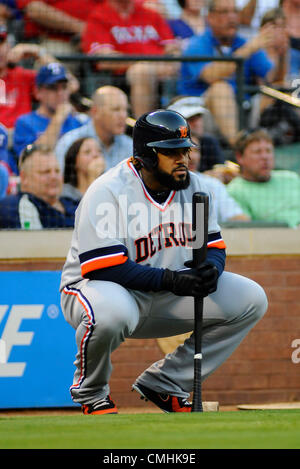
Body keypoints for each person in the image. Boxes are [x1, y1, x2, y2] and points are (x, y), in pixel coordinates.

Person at [59, 109, 268, 415]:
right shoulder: (108, 190)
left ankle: (166, 383)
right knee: (112, 312)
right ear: (144, 156)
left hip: (166, 294)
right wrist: (172, 281)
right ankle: (92, 393)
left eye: (185, 150)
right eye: (171, 152)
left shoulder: (194, 186)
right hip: (100, 291)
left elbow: (212, 246)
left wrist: (212, 269)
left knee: (251, 299)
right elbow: (103, 267)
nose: (182, 159)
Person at [178, 0, 277, 147]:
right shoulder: (197, 44)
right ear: (210, 17)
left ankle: (263, 142)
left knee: (273, 91)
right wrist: (248, 50)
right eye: (224, 12)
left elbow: (272, 77)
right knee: (220, 89)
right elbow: (211, 75)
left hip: (243, 111)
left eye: (234, 12)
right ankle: (239, 146)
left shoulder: (242, 43)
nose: (231, 17)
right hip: (201, 117)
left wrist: (281, 53)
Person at [80, 0, 180, 118]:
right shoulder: (99, 16)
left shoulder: (150, 14)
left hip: (163, 71)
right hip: (120, 78)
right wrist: (145, 63)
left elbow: (173, 49)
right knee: (141, 71)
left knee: (180, 64)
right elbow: (104, 60)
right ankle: (143, 128)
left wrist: (168, 62)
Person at [12, 62, 84, 164]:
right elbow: (33, 161)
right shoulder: (24, 122)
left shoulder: (78, 121)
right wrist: (59, 117)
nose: (60, 93)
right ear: (38, 92)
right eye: (53, 88)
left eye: (64, 87)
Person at [227, 128, 300, 227]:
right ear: (240, 157)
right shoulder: (234, 191)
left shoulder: (291, 178)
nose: (265, 157)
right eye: (257, 152)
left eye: (268, 151)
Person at [55, 85, 133, 173]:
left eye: (126, 110)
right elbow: (61, 183)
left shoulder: (129, 146)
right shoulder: (70, 142)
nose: (123, 116)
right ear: (95, 112)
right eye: (116, 110)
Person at [0, 24, 61, 132]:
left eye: (1, 43)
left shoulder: (22, 75)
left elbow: (71, 84)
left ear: (8, 46)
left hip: (23, 139)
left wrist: (36, 51)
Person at [0, 143, 78, 228]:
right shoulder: (15, 206)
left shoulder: (73, 204)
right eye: (45, 172)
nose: (53, 177)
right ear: (24, 177)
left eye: (57, 171)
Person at [188, 134, 249, 224]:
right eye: (186, 150)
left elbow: (240, 218)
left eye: (196, 151)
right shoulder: (161, 185)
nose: (192, 157)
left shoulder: (212, 184)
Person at [15, 0, 99, 59]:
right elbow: (34, 10)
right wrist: (81, 28)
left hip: (99, 37)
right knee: (55, 66)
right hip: (56, 39)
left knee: (107, 58)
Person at [166, 95, 225, 171]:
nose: (197, 123)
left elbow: (220, 169)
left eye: (198, 117)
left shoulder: (209, 142)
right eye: (190, 119)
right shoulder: (167, 145)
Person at [62, 137, 106, 202]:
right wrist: (92, 177)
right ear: (74, 161)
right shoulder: (65, 193)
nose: (96, 155)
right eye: (87, 152)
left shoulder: (109, 189)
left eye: (99, 151)